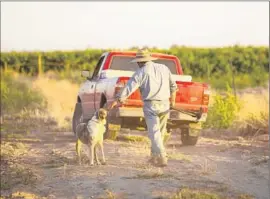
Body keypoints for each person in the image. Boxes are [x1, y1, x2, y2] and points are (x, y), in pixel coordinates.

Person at [108, 48, 178, 167]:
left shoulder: (141, 72)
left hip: (151, 105)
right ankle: (154, 157)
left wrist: (117, 100)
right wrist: (173, 102)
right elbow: (173, 87)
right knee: (159, 133)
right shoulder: (164, 68)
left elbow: (129, 88)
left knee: (154, 133)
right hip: (165, 104)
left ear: (140, 62)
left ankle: (162, 157)